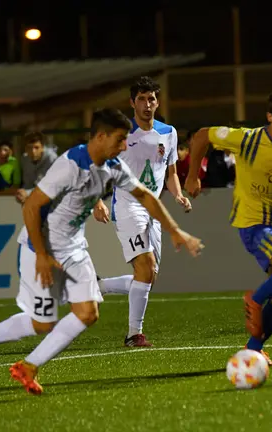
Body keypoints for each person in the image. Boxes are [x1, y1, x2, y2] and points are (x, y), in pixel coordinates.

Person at [0, 108, 203, 395]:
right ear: (101, 136)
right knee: (42, 323)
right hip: (40, 246)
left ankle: (28, 366)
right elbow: (31, 206)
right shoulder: (70, 164)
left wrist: (175, 230)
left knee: (88, 313)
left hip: (74, 248)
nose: (124, 146)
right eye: (119, 140)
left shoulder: (113, 165)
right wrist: (41, 255)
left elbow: (144, 195)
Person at [185, 86, 272, 367]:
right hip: (254, 223)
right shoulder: (247, 139)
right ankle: (256, 299)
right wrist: (192, 176)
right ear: (270, 117)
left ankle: (253, 350)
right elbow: (202, 135)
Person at [93, 76, 192, 347]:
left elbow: (170, 172)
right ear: (132, 102)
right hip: (127, 206)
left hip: (153, 210)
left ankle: (99, 287)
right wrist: (97, 201)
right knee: (145, 268)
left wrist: (178, 194)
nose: (147, 104)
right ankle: (133, 335)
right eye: (141, 99)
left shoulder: (168, 133)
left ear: (158, 102)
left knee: (148, 277)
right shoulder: (121, 133)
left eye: (151, 99)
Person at [16, 132, 58, 204]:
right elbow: (27, 183)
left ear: (42, 147)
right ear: (25, 148)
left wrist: (27, 193)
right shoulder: (24, 159)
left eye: (36, 147)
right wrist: (21, 194)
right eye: (29, 147)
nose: (33, 151)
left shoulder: (52, 159)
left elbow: (50, 186)